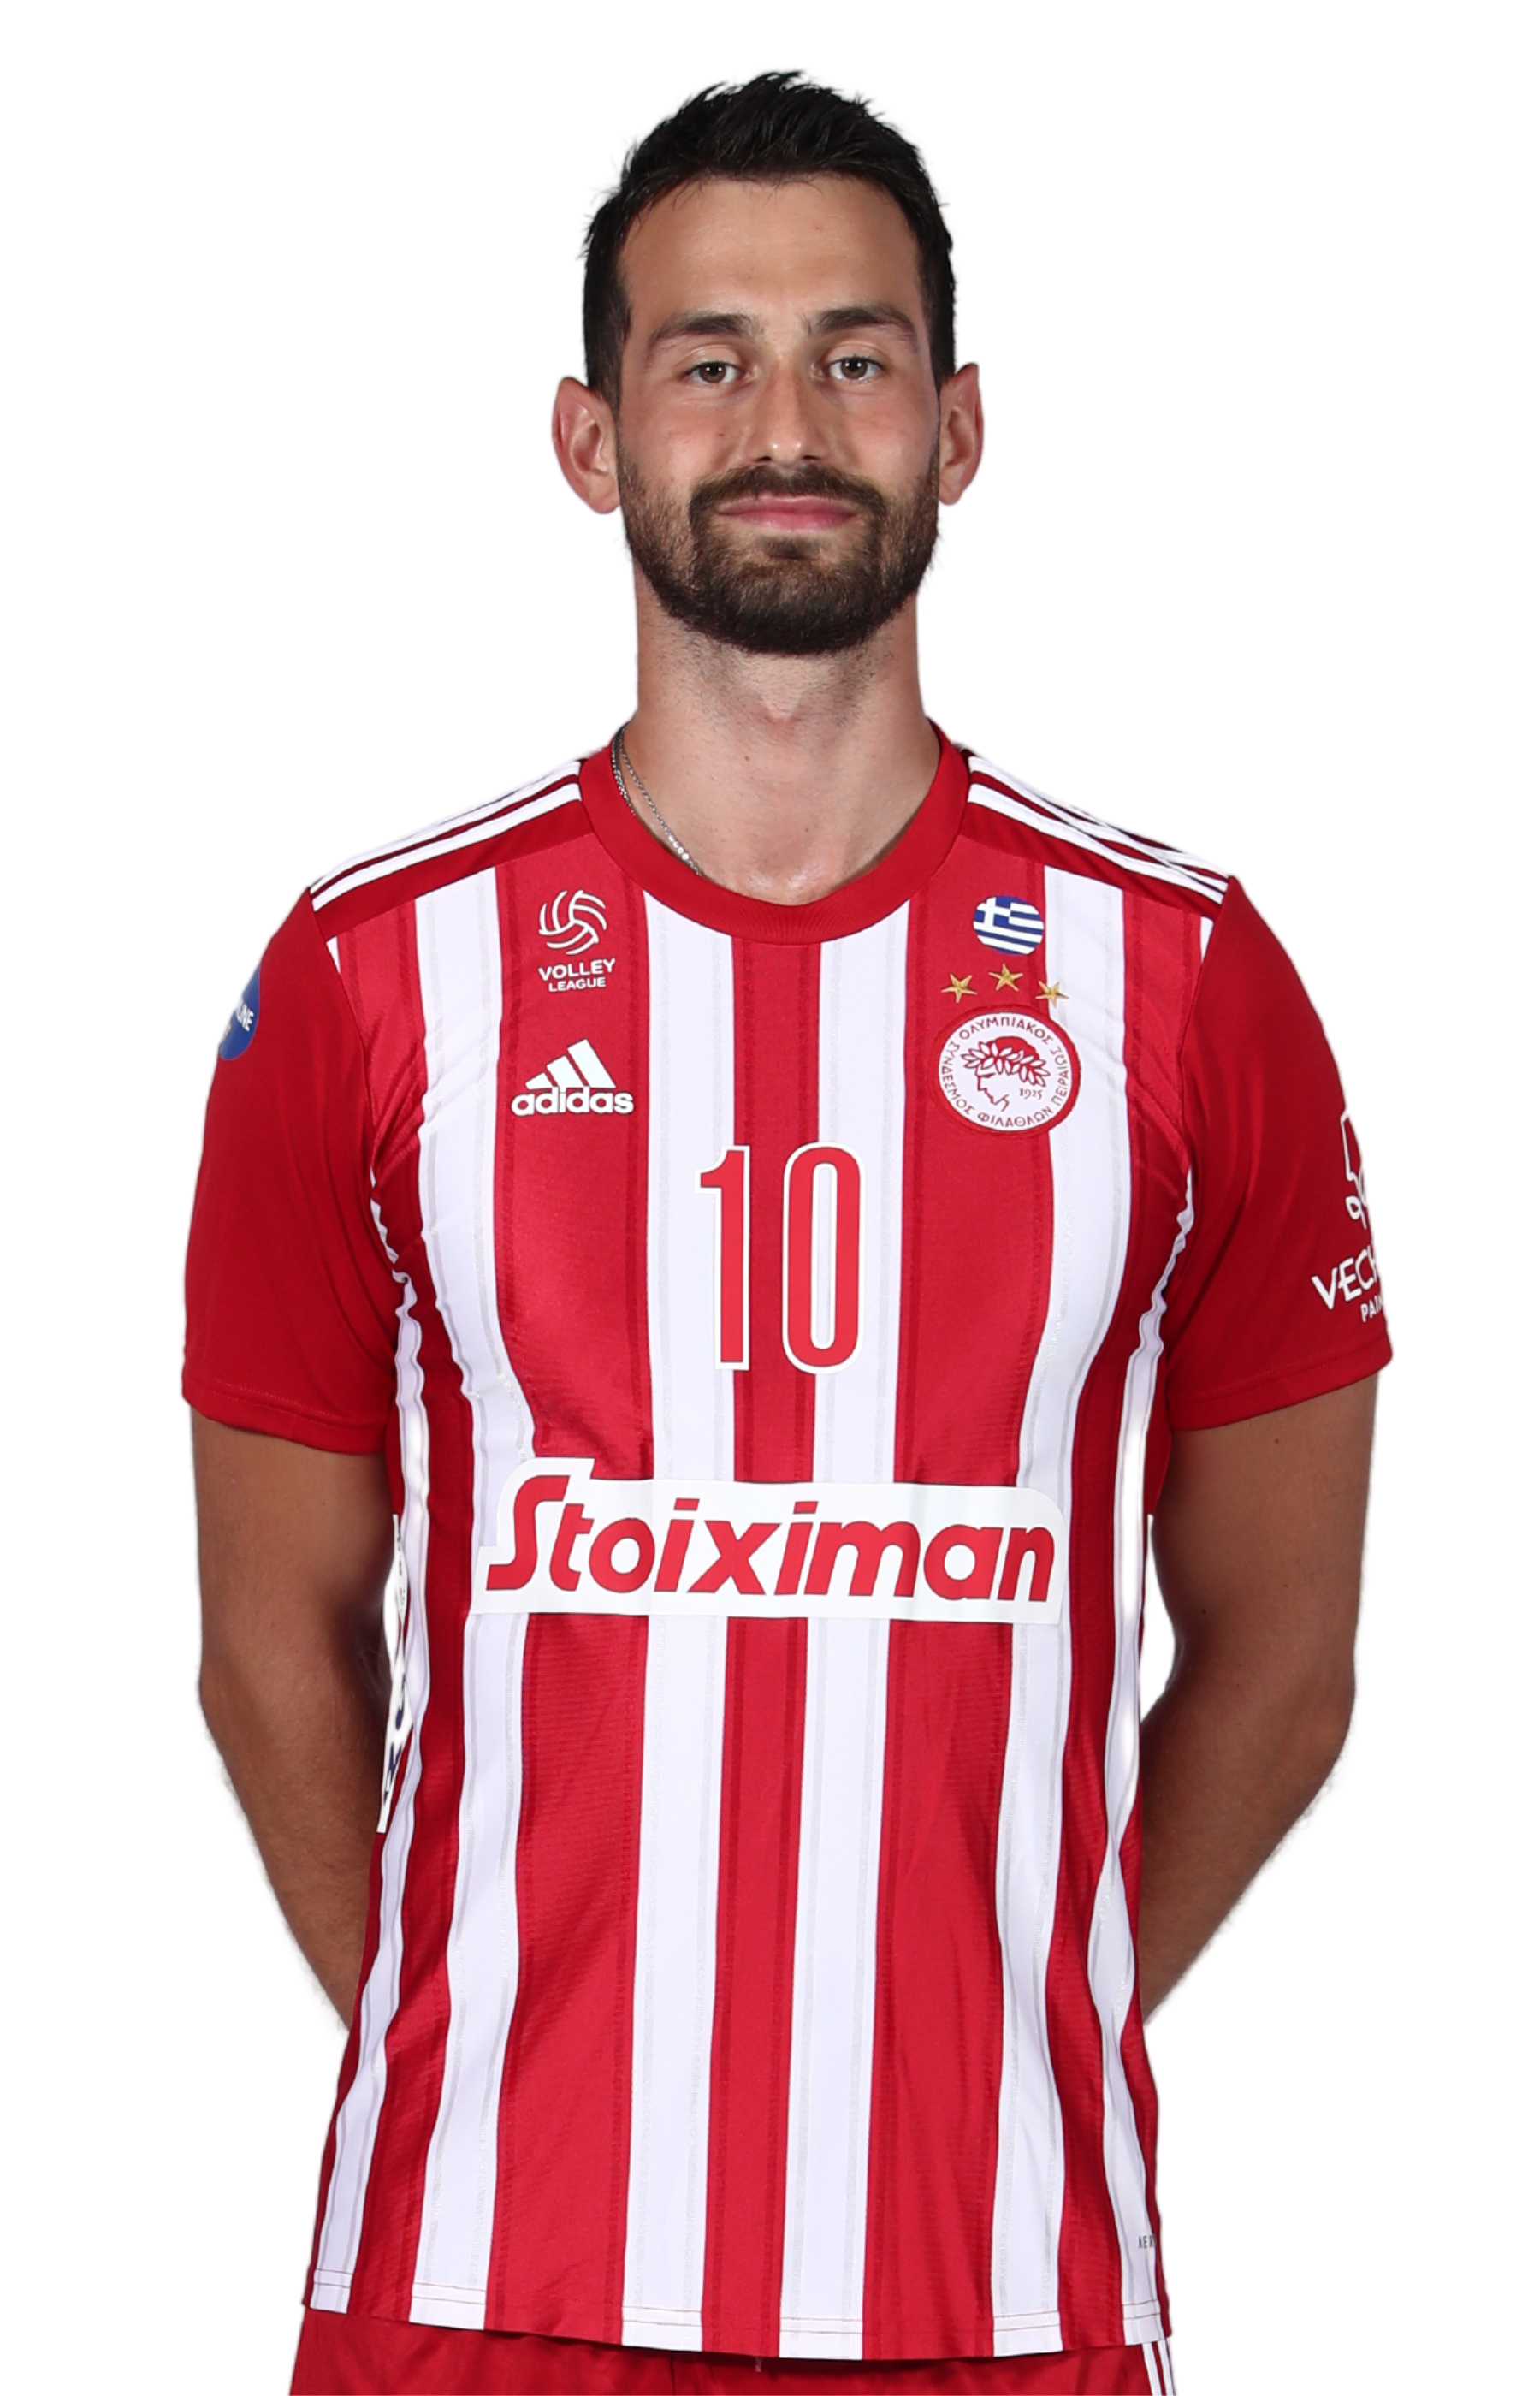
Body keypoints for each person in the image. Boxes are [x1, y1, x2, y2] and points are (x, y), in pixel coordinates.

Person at [185, 73, 1389, 2396]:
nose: (785, 428)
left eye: (855, 356)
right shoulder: (368, 977)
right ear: (588, 437)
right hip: (473, 2288)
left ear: (958, 426)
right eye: (707, 359)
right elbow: (267, 1647)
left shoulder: (1185, 978)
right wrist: (488, 2044)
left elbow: (1287, 1657)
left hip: (998, 2286)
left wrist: (997, 2021)